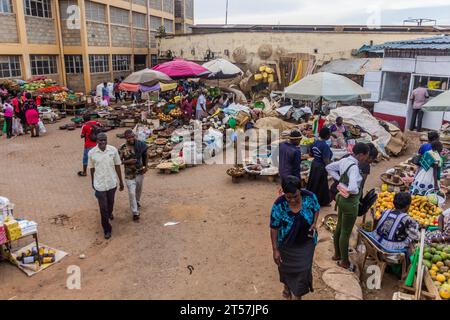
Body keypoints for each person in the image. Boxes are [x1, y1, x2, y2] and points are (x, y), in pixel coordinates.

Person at [270, 176, 320, 300]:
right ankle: (287, 287)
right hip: (286, 245)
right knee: (286, 269)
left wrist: (314, 222)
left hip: (306, 244)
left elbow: (317, 208)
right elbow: (274, 227)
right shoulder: (279, 205)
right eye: (288, 197)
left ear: (300, 190)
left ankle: (297, 295)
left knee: (303, 271)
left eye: (295, 196)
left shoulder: (310, 197)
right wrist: (275, 250)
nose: (292, 200)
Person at [326, 143, 370, 271]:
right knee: (345, 232)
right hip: (350, 202)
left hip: (341, 199)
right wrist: (350, 189)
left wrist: (340, 180)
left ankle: (337, 254)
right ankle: (344, 261)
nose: (366, 159)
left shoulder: (345, 160)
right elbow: (353, 188)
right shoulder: (355, 168)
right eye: (366, 156)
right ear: (361, 154)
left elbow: (329, 167)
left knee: (339, 227)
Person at [88, 133, 124, 239]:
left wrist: (121, 181)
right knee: (103, 208)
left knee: (111, 203)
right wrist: (93, 182)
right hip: (99, 184)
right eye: (100, 140)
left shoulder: (112, 150)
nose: (103, 142)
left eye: (104, 140)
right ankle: (107, 229)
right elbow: (92, 168)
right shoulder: (92, 153)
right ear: (97, 141)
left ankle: (110, 212)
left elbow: (117, 165)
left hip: (111, 182)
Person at [119, 130, 149, 221]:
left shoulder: (140, 144)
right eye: (129, 137)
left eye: (132, 137)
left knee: (138, 190)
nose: (131, 139)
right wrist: (128, 161)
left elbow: (146, 155)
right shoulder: (122, 148)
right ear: (125, 138)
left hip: (139, 172)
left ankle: (137, 201)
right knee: (132, 193)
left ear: (134, 136)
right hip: (129, 174)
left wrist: (146, 167)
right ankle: (135, 213)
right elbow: (119, 161)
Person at [307, 127, 333, 206]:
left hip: (314, 165)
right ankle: (322, 202)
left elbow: (311, 154)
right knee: (322, 185)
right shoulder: (325, 146)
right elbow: (326, 160)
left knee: (313, 183)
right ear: (327, 136)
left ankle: (310, 200)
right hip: (321, 167)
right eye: (329, 134)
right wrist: (331, 170)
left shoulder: (315, 143)